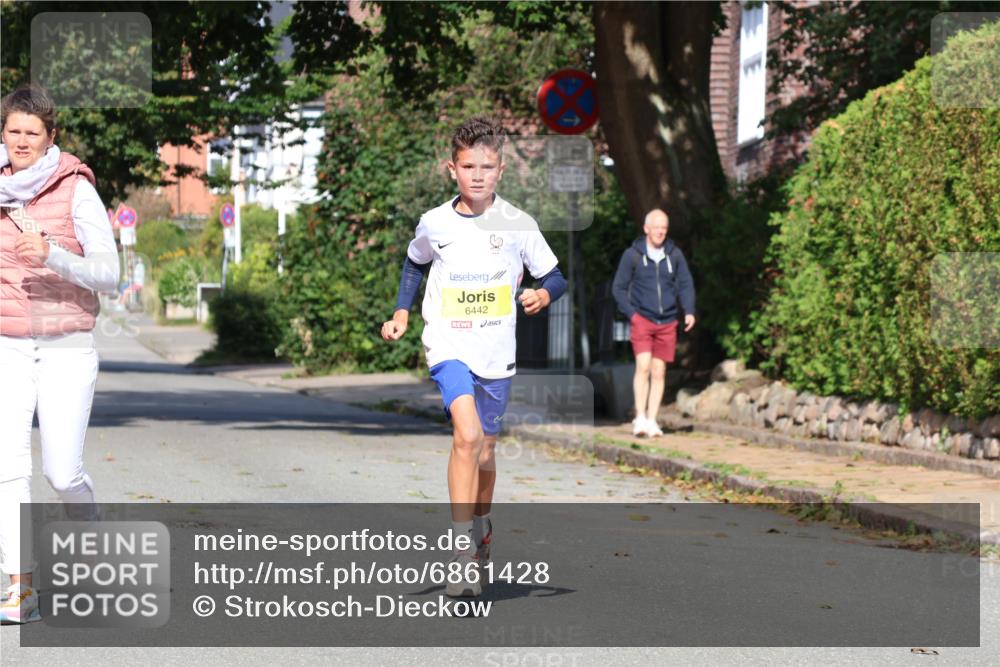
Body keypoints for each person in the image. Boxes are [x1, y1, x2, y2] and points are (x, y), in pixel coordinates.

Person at [381, 117, 566, 597]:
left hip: (496, 351)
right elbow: (414, 262)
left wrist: (542, 297)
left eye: (487, 166)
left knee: (485, 449)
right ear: (452, 169)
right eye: (468, 166)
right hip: (448, 345)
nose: (477, 175)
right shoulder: (434, 223)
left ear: (500, 170)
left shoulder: (519, 225)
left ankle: (482, 529)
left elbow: (556, 278)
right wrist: (402, 312)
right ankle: (461, 552)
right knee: (466, 436)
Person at [0, 85, 119, 623]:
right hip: (8, 343)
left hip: (66, 345)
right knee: (6, 469)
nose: (21, 140)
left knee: (62, 474)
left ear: (51, 137)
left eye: (32, 132)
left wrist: (53, 255)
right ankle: (20, 589)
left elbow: (109, 274)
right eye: (12, 130)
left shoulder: (74, 189)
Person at [612, 208, 695, 437]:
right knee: (644, 366)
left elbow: (685, 283)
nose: (660, 231)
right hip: (642, 319)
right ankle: (639, 417)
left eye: (664, 228)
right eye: (656, 227)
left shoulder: (674, 255)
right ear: (646, 229)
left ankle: (652, 419)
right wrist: (633, 314)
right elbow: (618, 288)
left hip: (668, 321)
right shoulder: (633, 255)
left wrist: (689, 310)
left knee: (659, 371)